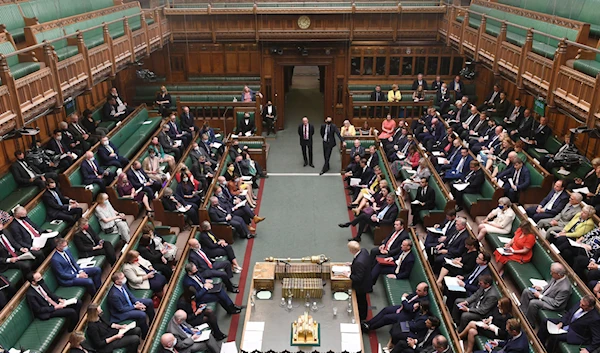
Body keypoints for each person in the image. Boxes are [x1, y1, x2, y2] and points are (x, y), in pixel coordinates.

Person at [362, 282, 430, 332]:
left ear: (425, 292)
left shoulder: (423, 301)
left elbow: (408, 308)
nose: (416, 291)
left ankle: (370, 327)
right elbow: (409, 299)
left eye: (419, 291)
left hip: (407, 315)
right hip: (403, 308)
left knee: (386, 318)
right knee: (386, 310)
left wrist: (403, 299)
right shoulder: (418, 293)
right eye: (417, 289)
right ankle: (369, 322)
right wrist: (406, 301)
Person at [107, 272, 155, 338]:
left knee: (149, 302)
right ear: (117, 282)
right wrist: (135, 307)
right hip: (120, 313)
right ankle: (145, 334)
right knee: (142, 314)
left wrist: (137, 302)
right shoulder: (114, 295)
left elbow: (130, 296)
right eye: (122, 278)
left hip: (129, 304)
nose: (124, 278)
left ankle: (153, 322)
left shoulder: (123, 285)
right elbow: (121, 309)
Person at [345, 241, 373, 321]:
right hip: (367, 278)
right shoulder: (363, 251)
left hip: (362, 286)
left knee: (361, 301)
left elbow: (358, 278)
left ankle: (362, 317)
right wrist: (352, 264)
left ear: (351, 250)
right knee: (363, 301)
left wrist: (348, 275)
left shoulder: (359, 263)